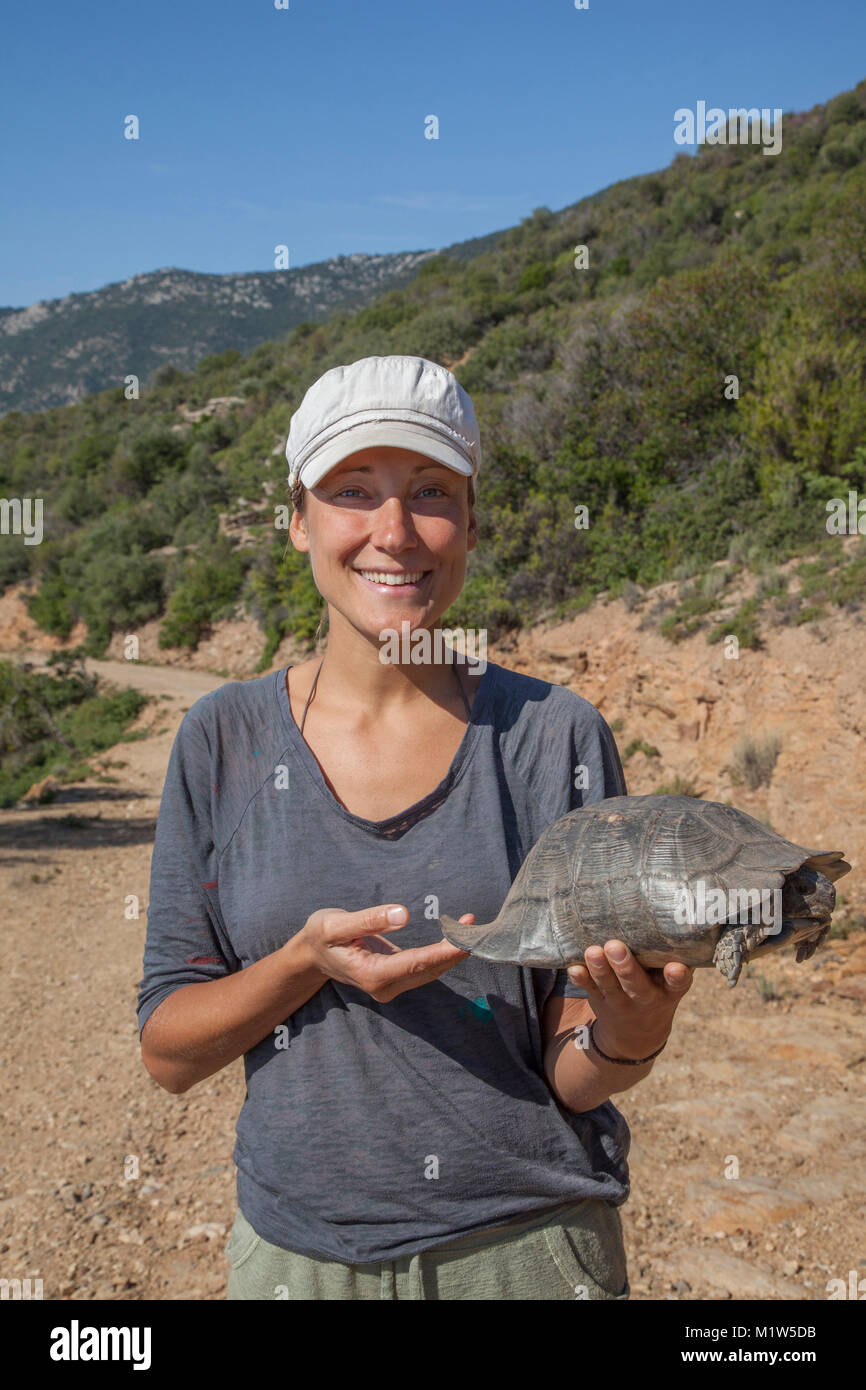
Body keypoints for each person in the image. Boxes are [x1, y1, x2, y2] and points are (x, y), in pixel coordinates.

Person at [137, 354, 694, 1301]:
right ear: (298, 521)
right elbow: (169, 1051)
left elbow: (573, 1068)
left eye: (431, 492)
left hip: (529, 1254)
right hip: (299, 1263)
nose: (394, 533)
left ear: (470, 523)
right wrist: (303, 963)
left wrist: (629, 1035)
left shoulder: (554, 736)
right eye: (354, 491)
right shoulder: (220, 740)